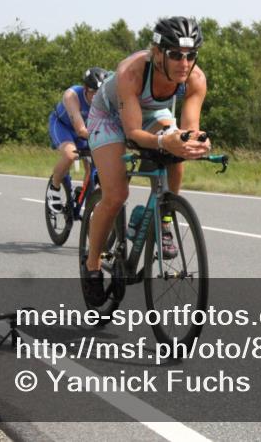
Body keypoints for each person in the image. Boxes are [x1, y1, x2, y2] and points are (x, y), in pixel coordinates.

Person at [82, 17, 210, 306]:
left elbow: (189, 129)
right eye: (175, 54)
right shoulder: (131, 71)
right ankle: (91, 266)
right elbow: (133, 133)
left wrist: (196, 141)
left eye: (191, 55)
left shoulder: (196, 79)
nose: (184, 62)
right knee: (116, 195)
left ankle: (165, 218)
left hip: (151, 113)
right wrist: (165, 140)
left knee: (178, 148)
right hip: (111, 117)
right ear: (156, 52)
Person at [46, 67, 109, 214]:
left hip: (87, 132)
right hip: (63, 126)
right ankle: (54, 187)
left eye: (100, 93)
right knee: (70, 155)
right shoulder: (71, 95)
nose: (97, 97)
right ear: (86, 88)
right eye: (94, 92)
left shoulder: (105, 101)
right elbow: (80, 130)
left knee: (93, 167)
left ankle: (85, 204)